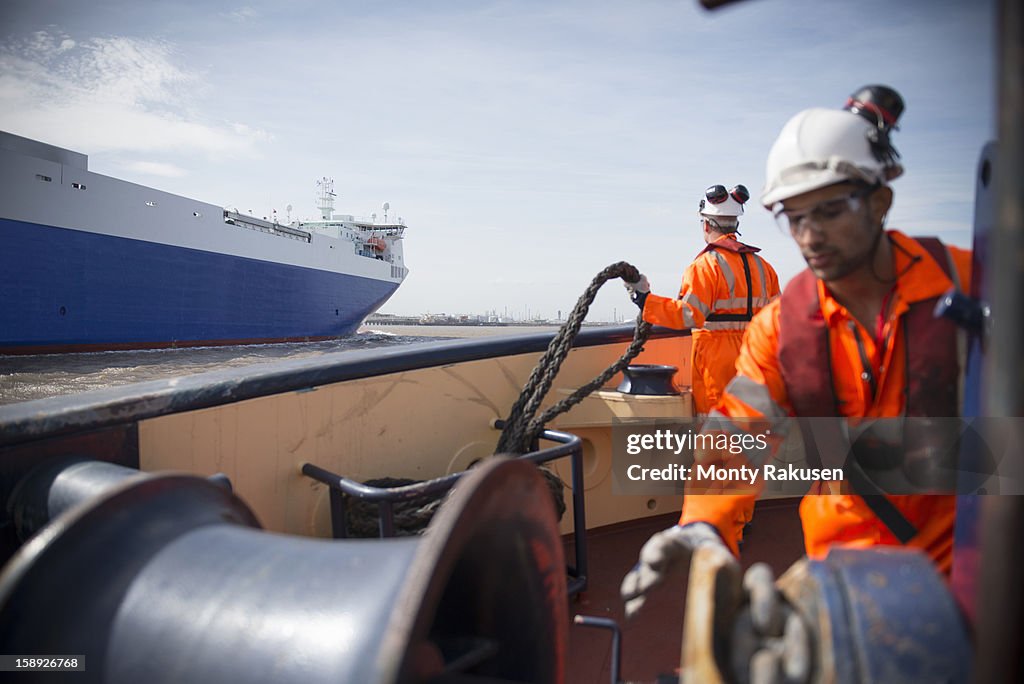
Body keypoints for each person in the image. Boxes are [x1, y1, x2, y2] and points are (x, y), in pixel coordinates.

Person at [621, 85, 971, 619]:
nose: (809, 235)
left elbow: (689, 315)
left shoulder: (971, 286)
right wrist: (702, 523)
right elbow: (737, 434)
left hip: (969, 573)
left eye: (828, 210)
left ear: (879, 201)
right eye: (792, 215)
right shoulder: (784, 326)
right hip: (841, 580)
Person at [625, 183, 781, 416]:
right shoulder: (764, 267)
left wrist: (644, 299)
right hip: (757, 357)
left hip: (718, 363)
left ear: (706, 224)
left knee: (719, 434)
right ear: (735, 224)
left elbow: (688, 315)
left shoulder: (705, 266)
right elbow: (779, 320)